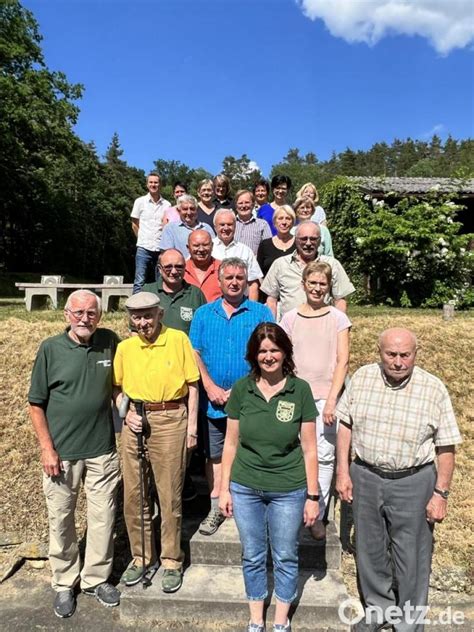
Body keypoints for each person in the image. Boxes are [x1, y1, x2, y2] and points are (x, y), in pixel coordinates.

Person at [336, 328, 462, 632]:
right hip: (365, 476)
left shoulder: (433, 388)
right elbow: (345, 425)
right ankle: (380, 610)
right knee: (370, 550)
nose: (398, 361)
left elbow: (446, 446)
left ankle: (408, 622)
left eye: (405, 355)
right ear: (379, 353)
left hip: (413, 482)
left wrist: (440, 493)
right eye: (391, 354)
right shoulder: (362, 379)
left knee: (412, 557)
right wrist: (343, 471)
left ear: (415, 354)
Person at [219, 323, 318, 632]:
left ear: (285, 351)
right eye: (262, 351)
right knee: (252, 554)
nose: (269, 356)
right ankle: (256, 619)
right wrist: (223, 490)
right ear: (254, 355)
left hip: (288, 488)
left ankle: (280, 621)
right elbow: (231, 443)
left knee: (286, 554)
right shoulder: (242, 389)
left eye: (274, 349)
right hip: (245, 486)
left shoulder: (299, 390)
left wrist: (313, 497)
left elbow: (310, 450)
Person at [28, 290, 121, 618]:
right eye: (79, 312)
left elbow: (119, 385)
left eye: (92, 313)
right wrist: (47, 449)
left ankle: (96, 578)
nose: (85, 318)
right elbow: (36, 404)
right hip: (62, 454)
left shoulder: (110, 342)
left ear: (100, 315)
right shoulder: (51, 349)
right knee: (62, 519)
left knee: (103, 518)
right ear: (67, 314)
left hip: (102, 451)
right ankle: (65, 582)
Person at [114, 292, 200, 593]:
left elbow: (192, 386)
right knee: (134, 495)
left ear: (159, 314)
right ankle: (141, 557)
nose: (143, 322)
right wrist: (125, 415)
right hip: (135, 420)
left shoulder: (177, 339)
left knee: (169, 494)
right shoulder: (125, 347)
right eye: (137, 317)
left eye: (148, 315)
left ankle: (172, 560)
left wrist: (191, 429)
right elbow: (116, 389)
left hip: (170, 418)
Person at [189, 259, 274, 537]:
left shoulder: (261, 313)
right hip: (213, 401)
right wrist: (210, 386)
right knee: (214, 455)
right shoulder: (203, 314)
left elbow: (268, 354)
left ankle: (248, 506)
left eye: (240, 277)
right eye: (229, 277)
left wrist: (241, 388)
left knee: (250, 451)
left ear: (247, 281)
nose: (235, 282)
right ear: (220, 280)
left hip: (249, 398)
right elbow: (195, 353)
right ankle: (216, 504)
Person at [280, 261, 351, 540]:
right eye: (313, 283)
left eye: (322, 284)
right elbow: (282, 358)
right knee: (291, 451)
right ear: (304, 285)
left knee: (323, 456)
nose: (317, 288)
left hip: (325, 398)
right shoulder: (289, 318)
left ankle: (317, 514)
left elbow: (343, 360)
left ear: (329, 287)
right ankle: (291, 508)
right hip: (295, 395)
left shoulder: (338, 319)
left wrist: (333, 400)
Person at [261, 222, 355, 317]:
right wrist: (272, 326)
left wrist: (340, 326)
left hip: (323, 326)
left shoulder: (332, 265)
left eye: (313, 239)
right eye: (304, 239)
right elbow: (271, 300)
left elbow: (340, 300)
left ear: (319, 241)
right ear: (296, 240)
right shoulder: (280, 264)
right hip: (289, 328)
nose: (308, 243)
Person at [143, 248, 206, 335]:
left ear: (185, 268)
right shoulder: (147, 292)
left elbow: (205, 328)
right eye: (168, 267)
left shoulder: (196, 294)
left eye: (179, 267)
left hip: (186, 348)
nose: (174, 271)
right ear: (160, 269)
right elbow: (135, 330)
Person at [131, 172, 171, 293]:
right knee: (139, 281)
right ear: (147, 184)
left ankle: (159, 308)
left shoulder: (167, 204)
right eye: (151, 182)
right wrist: (141, 238)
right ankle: (136, 309)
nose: (153, 185)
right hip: (143, 247)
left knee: (160, 281)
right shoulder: (140, 202)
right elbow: (134, 224)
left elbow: (167, 226)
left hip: (160, 248)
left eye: (156, 182)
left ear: (160, 185)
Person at [212, 209, 263, 301]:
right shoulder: (208, 249)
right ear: (215, 227)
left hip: (241, 304)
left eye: (230, 224)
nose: (226, 228)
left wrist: (251, 310)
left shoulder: (245, 250)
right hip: (212, 304)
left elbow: (253, 284)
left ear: (235, 226)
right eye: (222, 224)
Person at [257, 205, 296, 277]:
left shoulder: (298, 244)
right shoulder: (265, 245)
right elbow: (258, 272)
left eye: (288, 218)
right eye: (280, 218)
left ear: (293, 222)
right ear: (275, 221)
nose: (284, 222)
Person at [185, 229, 222, 302]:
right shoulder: (180, 270)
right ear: (188, 248)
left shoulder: (223, 269)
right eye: (196, 245)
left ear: (212, 246)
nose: (201, 249)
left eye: (205, 245)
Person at [234, 189, 272, 255]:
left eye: (247, 202)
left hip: (253, 264)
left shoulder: (262, 225)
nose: (243, 206)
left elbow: (268, 248)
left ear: (253, 204)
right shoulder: (230, 224)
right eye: (240, 203)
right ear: (236, 206)